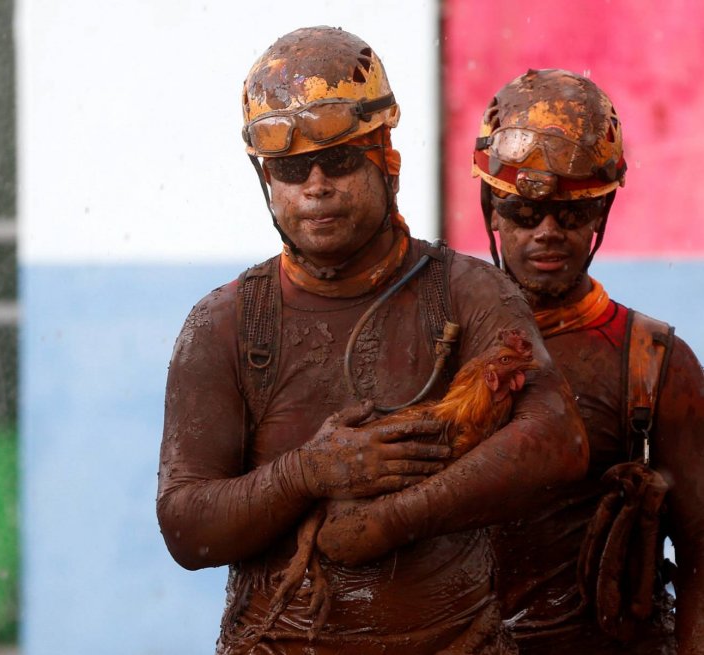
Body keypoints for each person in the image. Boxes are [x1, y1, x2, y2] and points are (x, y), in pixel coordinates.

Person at [157, 27, 587, 655]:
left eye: (338, 161)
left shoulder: (468, 291)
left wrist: (392, 518)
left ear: (387, 159)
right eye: (292, 169)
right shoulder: (225, 323)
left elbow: (558, 441)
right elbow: (186, 527)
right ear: (265, 180)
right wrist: (307, 473)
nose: (316, 186)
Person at [474, 68, 704, 654]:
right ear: (493, 212)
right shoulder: (437, 343)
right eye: (526, 213)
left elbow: (702, 553)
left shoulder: (655, 363)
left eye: (572, 214)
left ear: (601, 216)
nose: (547, 232)